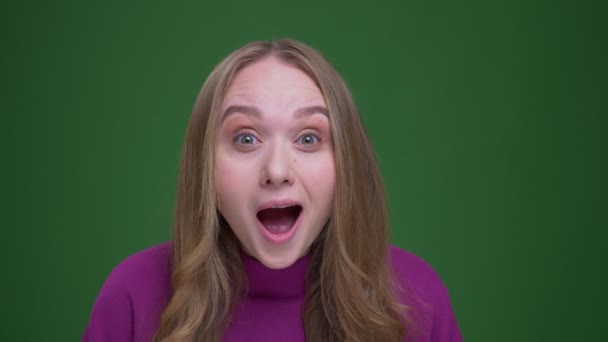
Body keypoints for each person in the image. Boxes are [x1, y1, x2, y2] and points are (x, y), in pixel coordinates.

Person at [82, 39, 462, 342]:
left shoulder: (417, 298)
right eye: (246, 138)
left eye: (309, 138)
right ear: (206, 169)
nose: (277, 171)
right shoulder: (133, 295)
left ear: (347, 164)